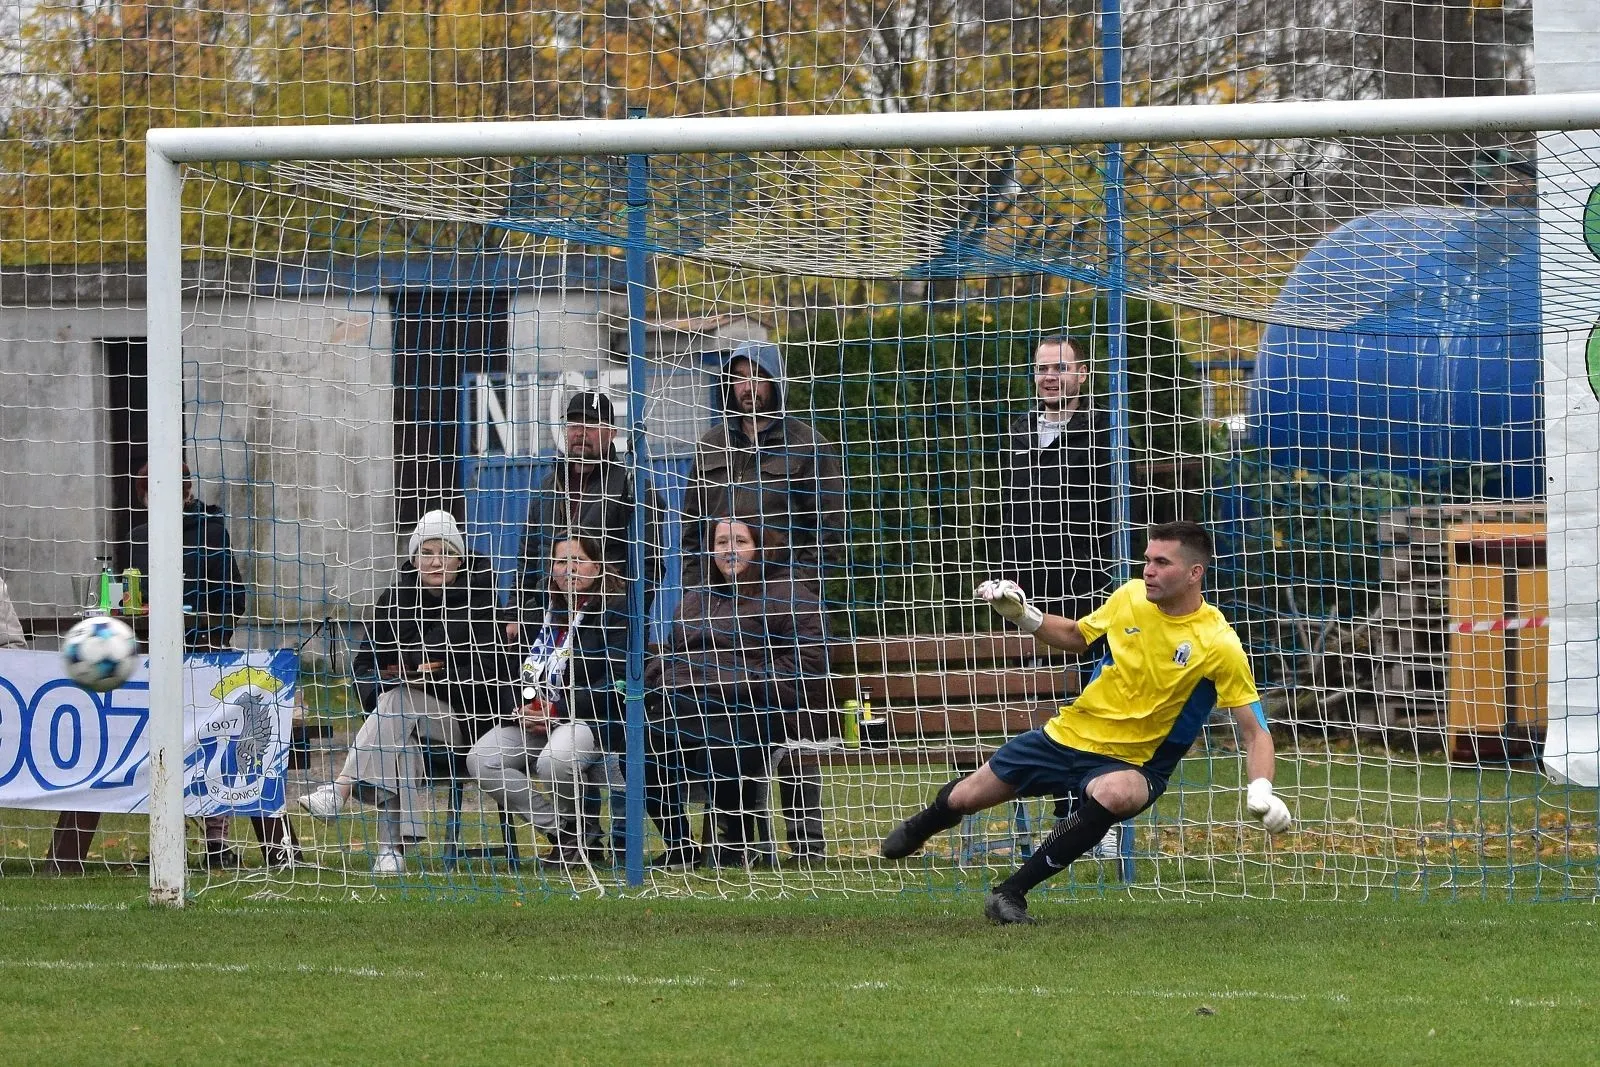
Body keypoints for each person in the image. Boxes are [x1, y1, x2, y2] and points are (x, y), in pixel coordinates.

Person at [880, 521, 1294, 925]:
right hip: (1067, 736)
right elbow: (1078, 636)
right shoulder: (1130, 596)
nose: (1148, 570)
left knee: (1116, 794)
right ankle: (923, 824)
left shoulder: (1219, 642)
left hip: (1133, 763)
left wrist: (1262, 790)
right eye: (1147, 560)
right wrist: (1025, 615)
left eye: (1162, 562)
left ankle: (1010, 893)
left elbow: (1256, 732)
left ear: (1194, 573)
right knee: (963, 799)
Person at [48, 463, 270, 871]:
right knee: (150, 745)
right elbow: (127, 600)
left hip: (203, 656)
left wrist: (203, 626)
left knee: (210, 743)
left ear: (186, 492)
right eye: (150, 493)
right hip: (149, 658)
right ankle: (167, 839)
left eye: (167, 491)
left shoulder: (210, 532)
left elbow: (234, 600)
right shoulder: (138, 538)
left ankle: (217, 842)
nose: (157, 500)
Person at [678, 339, 845, 858]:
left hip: (783, 607)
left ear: (775, 381)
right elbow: (691, 534)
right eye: (737, 377)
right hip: (721, 606)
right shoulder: (709, 446)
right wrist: (700, 593)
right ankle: (735, 838)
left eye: (756, 376)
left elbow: (829, 531)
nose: (746, 387)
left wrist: (796, 592)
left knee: (794, 718)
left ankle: (806, 843)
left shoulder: (807, 445)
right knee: (718, 708)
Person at [299, 510, 515, 876]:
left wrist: (433, 677)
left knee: (398, 703)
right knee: (400, 731)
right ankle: (391, 852)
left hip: (465, 720)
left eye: (446, 552)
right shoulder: (394, 600)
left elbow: (492, 673)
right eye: (426, 552)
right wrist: (389, 685)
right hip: (401, 719)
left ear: (460, 559)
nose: (436, 561)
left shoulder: (481, 600)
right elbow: (364, 667)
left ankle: (341, 789)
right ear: (413, 559)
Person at [649, 508, 830, 867]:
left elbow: (806, 667)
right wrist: (658, 676)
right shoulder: (693, 600)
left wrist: (734, 682)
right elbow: (670, 655)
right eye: (721, 542)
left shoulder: (791, 596)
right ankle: (679, 844)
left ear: (761, 546)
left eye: (740, 541)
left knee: (720, 749)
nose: (729, 550)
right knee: (641, 745)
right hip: (689, 705)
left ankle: (736, 843)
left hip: (758, 710)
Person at [467, 533, 631, 867]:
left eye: (578, 560)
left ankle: (581, 835)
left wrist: (557, 710)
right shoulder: (539, 611)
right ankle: (566, 834)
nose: (569, 569)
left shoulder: (616, 611)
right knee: (482, 759)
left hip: (588, 720)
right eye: (561, 561)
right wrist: (520, 708)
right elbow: (508, 670)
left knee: (553, 761)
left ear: (598, 566)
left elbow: (615, 682)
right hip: (534, 720)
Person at [511, 390, 660, 637]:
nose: (580, 432)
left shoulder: (632, 488)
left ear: (612, 433)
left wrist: (625, 618)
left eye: (591, 425)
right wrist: (514, 614)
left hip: (603, 626)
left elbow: (649, 566)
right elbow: (528, 555)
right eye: (574, 424)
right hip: (547, 620)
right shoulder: (548, 486)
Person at [995, 335, 1115, 623]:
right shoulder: (1018, 432)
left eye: (1060, 368)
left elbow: (1124, 514)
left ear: (1082, 374)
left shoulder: (1105, 432)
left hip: (1084, 589)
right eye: (1042, 369)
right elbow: (1003, 509)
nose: (1049, 377)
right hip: (1022, 587)